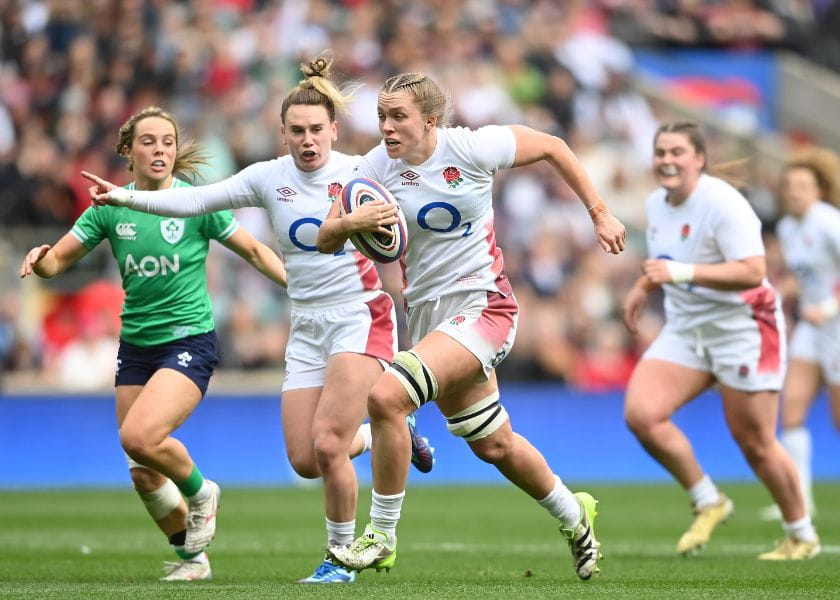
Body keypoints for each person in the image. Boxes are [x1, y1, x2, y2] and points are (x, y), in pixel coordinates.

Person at [81, 54, 434, 584]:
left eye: (317, 129)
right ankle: (390, 430)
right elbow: (195, 199)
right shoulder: (268, 178)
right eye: (297, 130)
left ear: (334, 129)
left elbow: (409, 206)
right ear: (284, 133)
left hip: (360, 317)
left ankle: (340, 560)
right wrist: (124, 196)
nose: (308, 139)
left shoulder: (362, 172)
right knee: (304, 460)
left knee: (328, 445)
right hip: (307, 323)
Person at [316, 71, 626, 581]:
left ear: (431, 120)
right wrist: (351, 224)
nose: (387, 128)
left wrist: (599, 212)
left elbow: (553, 146)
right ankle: (577, 516)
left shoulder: (474, 148)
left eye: (399, 117)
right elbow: (327, 237)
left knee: (387, 397)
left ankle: (381, 537)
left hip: (485, 306)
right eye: (382, 117)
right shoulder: (374, 168)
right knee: (493, 445)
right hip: (431, 318)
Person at [20, 106, 289, 581]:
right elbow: (57, 260)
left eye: (167, 141)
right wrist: (40, 260)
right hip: (136, 346)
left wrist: (298, 285)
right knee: (143, 470)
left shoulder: (196, 203)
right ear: (129, 151)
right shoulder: (110, 206)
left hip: (189, 341)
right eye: (148, 141)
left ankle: (204, 492)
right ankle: (194, 560)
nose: (160, 149)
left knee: (139, 438)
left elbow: (251, 249)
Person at [621, 121, 821, 560]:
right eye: (661, 152)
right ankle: (708, 498)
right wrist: (643, 288)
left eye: (677, 152)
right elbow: (667, 260)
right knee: (642, 414)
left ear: (698, 159)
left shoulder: (724, 205)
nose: (667, 160)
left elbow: (752, 271)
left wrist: (680, 274)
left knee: (755, 442)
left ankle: (801, 534)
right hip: (688, 329)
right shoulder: (657, 203)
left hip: (743, 328)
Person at [760, 147, 840, 521]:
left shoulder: (828, 222)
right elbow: (804, 276)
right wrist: (776, 293)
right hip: (812, 327)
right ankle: (799, 501)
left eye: (803, 186)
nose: (794, 192)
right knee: (791, 407)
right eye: (790, 186)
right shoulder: (790, 227)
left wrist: (830, 306)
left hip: (837, 324)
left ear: (820, 190)